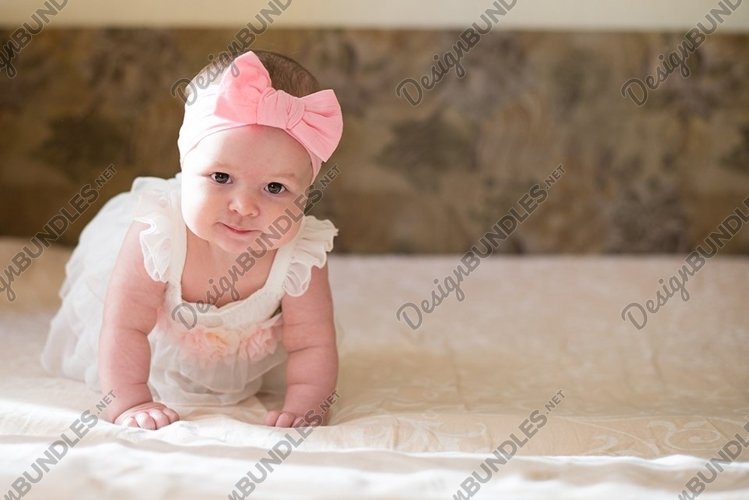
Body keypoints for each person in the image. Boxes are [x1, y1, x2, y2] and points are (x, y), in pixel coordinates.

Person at [41, 50, 343, 430]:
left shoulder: (301, 254)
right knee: (119, 329)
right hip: (151, 351)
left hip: (241, 360)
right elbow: (125, 325)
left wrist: (306, 405)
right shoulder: (158, 233)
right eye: (220, 177)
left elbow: (311, 343)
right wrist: (131, 401)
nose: (245, 206)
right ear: (186, 163)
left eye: (275, 187)